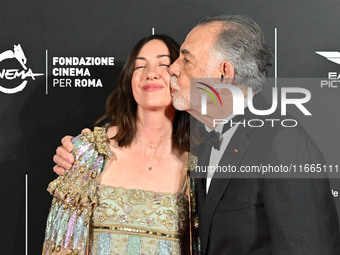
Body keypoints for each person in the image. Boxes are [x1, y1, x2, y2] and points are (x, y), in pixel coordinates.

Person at [54, 15, 340, 255]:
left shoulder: (282, 143)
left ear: (223, 74)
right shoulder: (203, 147)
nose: (173, 70)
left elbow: (307, 245)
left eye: (186, 61)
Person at [42, 34, 198, 255]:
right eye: (139, 66)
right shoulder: (90, 153)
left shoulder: (197, 167)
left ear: (179, 76)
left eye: (163, 64)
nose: (150, 73)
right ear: (129, 81)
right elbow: (60, 247)